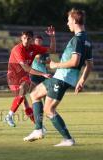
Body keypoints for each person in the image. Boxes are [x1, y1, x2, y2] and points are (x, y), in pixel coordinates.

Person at [24, 9, 93, 147]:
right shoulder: (87, 41)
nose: (67, 23)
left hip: (63, 78)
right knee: (35, 94)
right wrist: (81, 80)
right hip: (64, 78)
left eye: (68, 20)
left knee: (49, 110)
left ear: (74, 21)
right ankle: (38, 130)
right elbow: (89, 64)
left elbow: (74, 61)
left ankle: (68, 139)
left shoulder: (77, 39)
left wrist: (56, 64)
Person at [5, 28, 56, 127]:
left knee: (34, 96)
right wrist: (42, 74)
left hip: (24, 77)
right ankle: (9, 116)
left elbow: (52, 50)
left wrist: (52, 37)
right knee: (23, 96)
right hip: (13, 78)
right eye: (24, 38)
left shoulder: (34, 48)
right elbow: (26, 68)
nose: (26, 40)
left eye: (28, 39)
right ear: (21, 38)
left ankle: (39, 126)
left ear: (32, 40)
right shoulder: (17, 49)